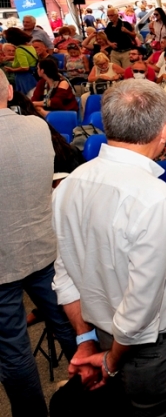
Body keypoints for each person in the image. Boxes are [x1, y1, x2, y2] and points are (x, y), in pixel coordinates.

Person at [52, 80, 166, 415]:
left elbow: (63, 275)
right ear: (164, 133)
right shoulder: (155, 197)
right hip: (156, 347)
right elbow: (141, 306)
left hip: (103, 332)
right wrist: (110, 361)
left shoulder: (69, 184)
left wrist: (85, 338)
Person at [0, 70, 77, 417]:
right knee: (66, 321)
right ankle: (88, 391)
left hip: (4, 258)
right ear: (9, 93)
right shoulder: (36, 127)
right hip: (43, 244)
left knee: (12, 347)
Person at [3, 27, 40, 94]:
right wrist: (12, 58)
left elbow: (25, 68)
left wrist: (12, 69)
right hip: (33, 76)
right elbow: (28, 57)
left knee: (28, 96)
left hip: (25, 78)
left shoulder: (19, 50)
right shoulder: (30, 46)